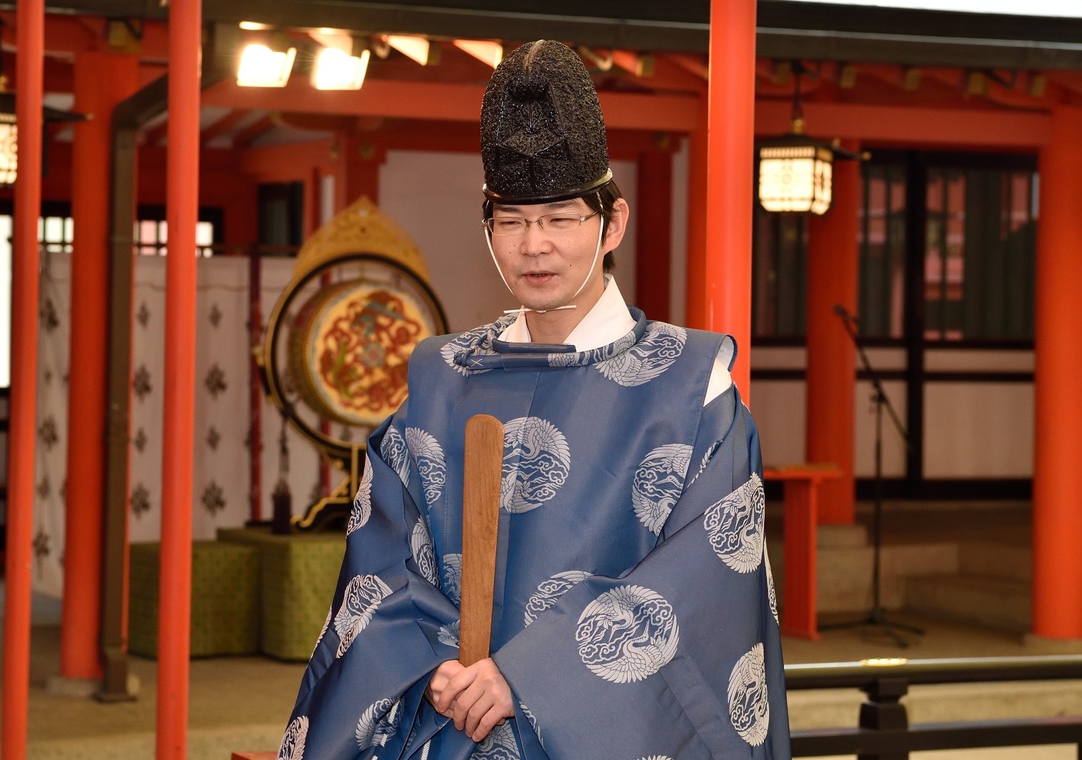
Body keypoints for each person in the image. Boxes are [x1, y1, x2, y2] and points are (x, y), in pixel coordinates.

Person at [278, 39, 791, 759]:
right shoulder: (441, 377)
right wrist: (436, 666)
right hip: (450, 720)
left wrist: (528, 675)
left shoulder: (689, 384)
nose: (534, 246)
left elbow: (704, 581)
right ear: (488, 227)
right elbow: (382, 560)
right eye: (512, 221)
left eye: (560, 218)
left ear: (612, 224)